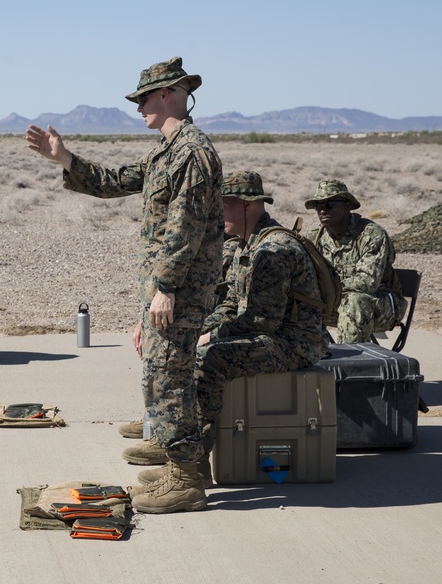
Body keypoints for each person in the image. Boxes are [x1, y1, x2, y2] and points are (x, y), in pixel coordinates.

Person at [26, 56, 224, 513]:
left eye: (144, 98)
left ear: (171, 93)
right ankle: (182, 464)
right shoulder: (166, 149)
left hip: (179, 289)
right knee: (163, 377)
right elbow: (115, 181)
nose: (138, 107)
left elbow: (185, 226)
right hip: (166, 288)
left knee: (169, 380)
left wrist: (166, 287)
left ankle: (188, 480)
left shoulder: (191, 152)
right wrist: (64, 158)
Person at [134, 171, 328, 489]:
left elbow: (261, 321)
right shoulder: (245, 244)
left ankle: (191, 469)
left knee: (209, 360)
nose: (217, 213)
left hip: (294, 343)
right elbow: (230, 306)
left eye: (224, 205)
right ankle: (173, 444)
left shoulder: (272, 251)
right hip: (270, 334)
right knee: (179, 345)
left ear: (249, 206)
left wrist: (211, 336)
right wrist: (191, 332)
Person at [304, 179, 407, 343]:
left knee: (353, 301)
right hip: (332, 305)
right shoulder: (313, 238)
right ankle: (308, 360)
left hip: (380, 306)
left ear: (346, 205)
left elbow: (367, 282)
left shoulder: (371, 234)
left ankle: (351, 364)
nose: (322, 210)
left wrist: (327, 291)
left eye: (329, 204)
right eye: (318, 206)